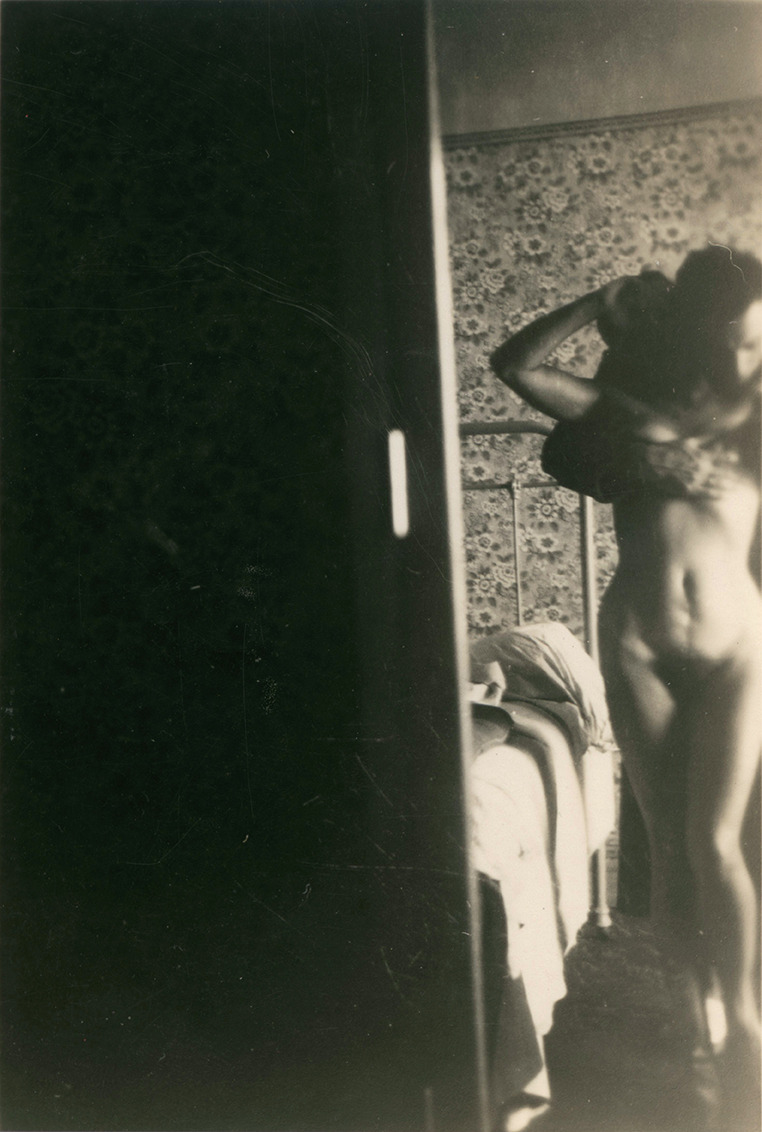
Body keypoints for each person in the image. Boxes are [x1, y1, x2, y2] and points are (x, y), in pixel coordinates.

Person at [489, 245, 762, 1130]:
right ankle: (696, 1028)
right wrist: (595, 297)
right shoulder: (623, 412)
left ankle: (745, 1027)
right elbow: (514, 365)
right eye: (738, 340)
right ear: (701, 335)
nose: (750, 358)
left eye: (760, 342)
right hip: (640, 644)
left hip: (737, 647)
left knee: (715, 842)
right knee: (672, 850)